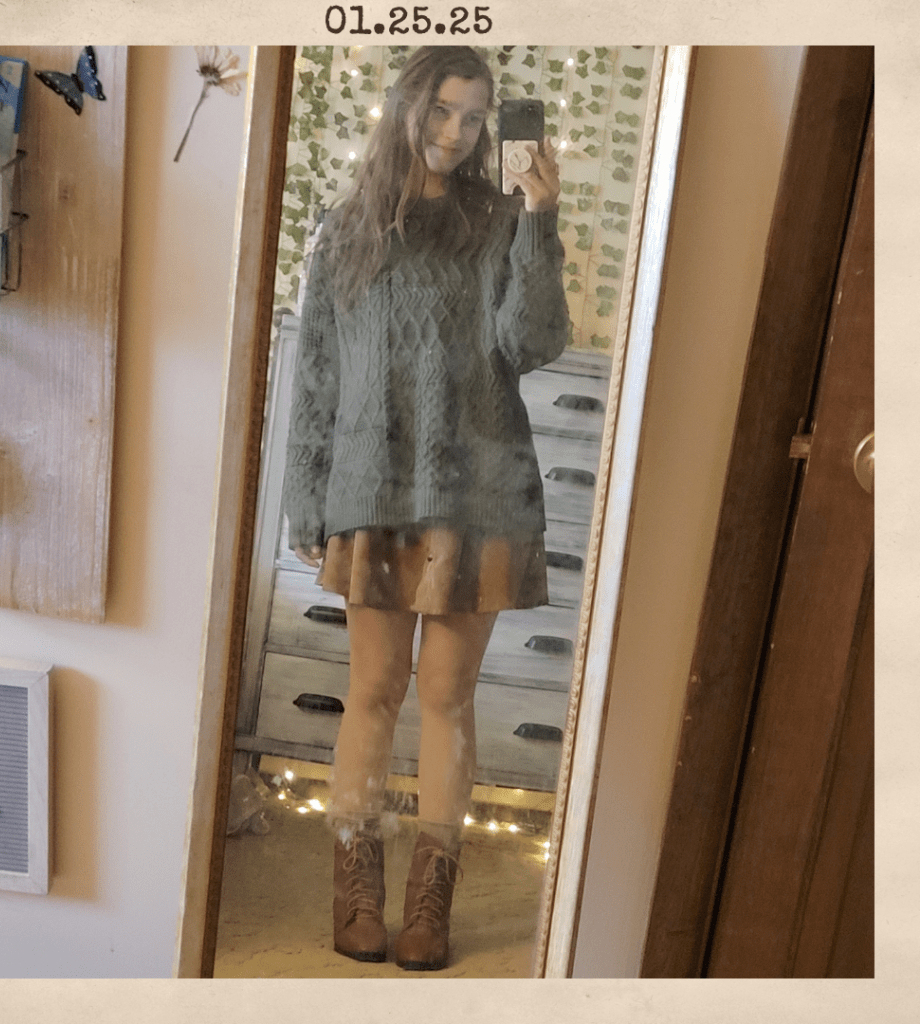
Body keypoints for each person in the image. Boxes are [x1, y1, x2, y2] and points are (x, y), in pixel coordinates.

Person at [283, 45, 569, 971]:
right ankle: (356, 891)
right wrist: (306, 497)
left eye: (474, 117)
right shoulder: (347, 229)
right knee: (374, 690)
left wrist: (539, 218)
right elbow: (317, 375)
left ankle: (429, 903)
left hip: (479, 493)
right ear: (409, 107)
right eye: (442, 110)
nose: (455, 132)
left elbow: (532, 343)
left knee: (447, 696)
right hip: (373, 488)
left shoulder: (500, 219)